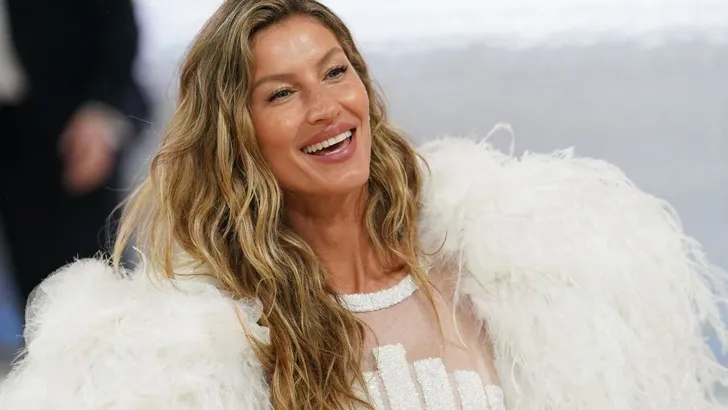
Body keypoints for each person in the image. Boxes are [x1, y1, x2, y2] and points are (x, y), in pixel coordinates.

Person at [1, 0, 726, 409]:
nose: (326, 108)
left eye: (334, 72)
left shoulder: (493, 279)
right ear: (237, 137)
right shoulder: (207, 341)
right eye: (281, 94)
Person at [0, 0, 148, 306]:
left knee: (91, 273)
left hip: (71, 124)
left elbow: (116, 28)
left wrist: (101, 112)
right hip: (10, 131)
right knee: (28, 279)